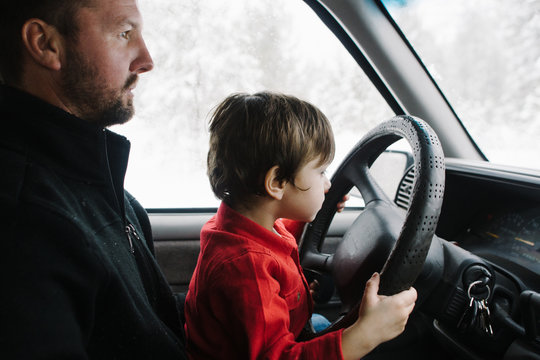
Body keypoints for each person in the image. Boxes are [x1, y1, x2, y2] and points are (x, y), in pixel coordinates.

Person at [0, 0, 187, 358]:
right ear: (44, 44)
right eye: (123, 34)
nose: (146, 60)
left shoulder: (97, 186)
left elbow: (143, 322)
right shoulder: (24, 220)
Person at [184, 92, 418, 359]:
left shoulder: (243, 225)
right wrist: (367, 333)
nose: (328, 183)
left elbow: (278, 240)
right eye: (320, 173)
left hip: (294, 329)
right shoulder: (246, 266)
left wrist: (315, 208)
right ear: (276, 183)